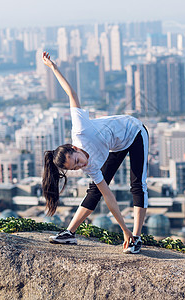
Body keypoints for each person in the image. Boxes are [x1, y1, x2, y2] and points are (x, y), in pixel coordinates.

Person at [42, 52, 149, 254]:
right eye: (75, 167)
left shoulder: (80, 129)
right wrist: (122, 230)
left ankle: (136, 238)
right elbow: (108, 196)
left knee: (137, 184)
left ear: (74, 148)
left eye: (77, 160)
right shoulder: (88, 166)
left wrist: (53, 68)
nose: (80, 165)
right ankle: (70, 233)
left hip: (134, 132)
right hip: (116, 144)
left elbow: (72, 94)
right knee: (95, 191)